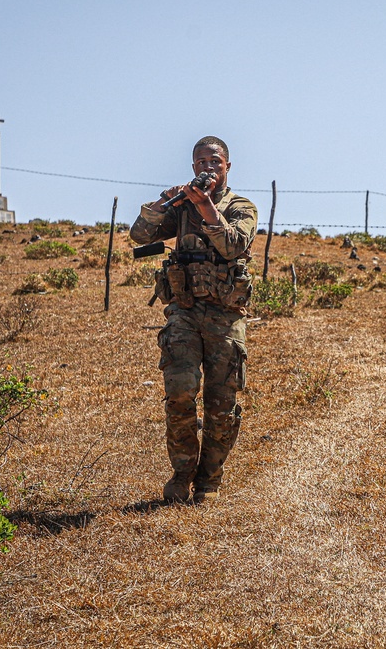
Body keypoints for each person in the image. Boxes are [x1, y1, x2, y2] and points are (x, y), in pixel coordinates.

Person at [130, 136, 258, 502]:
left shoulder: (241, 206)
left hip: (225, 315)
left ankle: (208, 482)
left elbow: (234, 245)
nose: (208, 168)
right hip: (184, 312)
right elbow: (138, 234)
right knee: (180, 393)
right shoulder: (182, 208)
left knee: (222, 404)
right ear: (193, 167)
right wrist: (163, 203)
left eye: (215, 162)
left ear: (227, 166)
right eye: (201, 162)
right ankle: (181, 474)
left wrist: (207, 209)